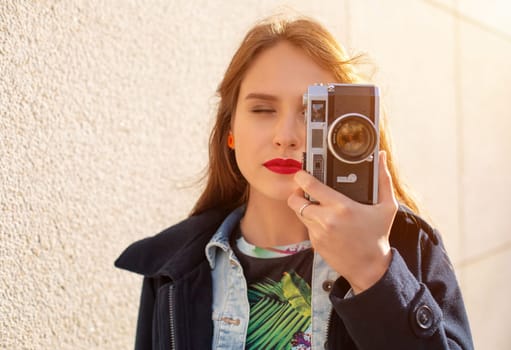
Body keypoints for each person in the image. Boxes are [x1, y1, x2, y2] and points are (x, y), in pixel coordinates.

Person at [115, 13, 474, 350]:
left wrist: (374, 273)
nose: (286, 136)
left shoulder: (409, 247)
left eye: (313, 113)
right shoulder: (171, 270)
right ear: (230, 132)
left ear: (349, 129)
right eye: (262, 109)